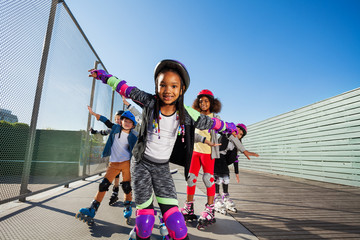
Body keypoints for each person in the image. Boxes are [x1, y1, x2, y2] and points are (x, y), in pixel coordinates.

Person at [88, 59, 239, 240]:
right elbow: (125, 88)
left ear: (182, 89)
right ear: (157, 87)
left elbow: (211, 122)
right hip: (141, 165)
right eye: (163, 85)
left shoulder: (186, 113)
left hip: (161, 169)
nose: (168, 90)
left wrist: (227, 127)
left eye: (174, 86)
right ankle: (137, 233)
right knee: (145, 225)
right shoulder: (150, 102)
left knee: (177, 225)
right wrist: (105, 77)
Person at [75, 109, 138, 225]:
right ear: (121, 121)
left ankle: (128, 206)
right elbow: (106, 121)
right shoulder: (115, 128)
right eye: (124, 120)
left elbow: (143, 144)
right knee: (103, 184)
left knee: (126, 185)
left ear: (133, 125)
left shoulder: (134, 135)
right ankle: (92, 208)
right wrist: (95, 115)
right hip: (113, 164)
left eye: (130, 122)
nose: (126, 123)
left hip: (126, 163)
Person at [214, 123, 259, 214]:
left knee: (226, 178)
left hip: (223, 161)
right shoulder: (226, 135)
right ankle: (217, 198)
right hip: (216, 158)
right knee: (219, 177)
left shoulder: (236, 146)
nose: (239, 134)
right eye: (239, 130)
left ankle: (225, 197)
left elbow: (235, 160)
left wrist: (237, 173)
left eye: (241, 134)